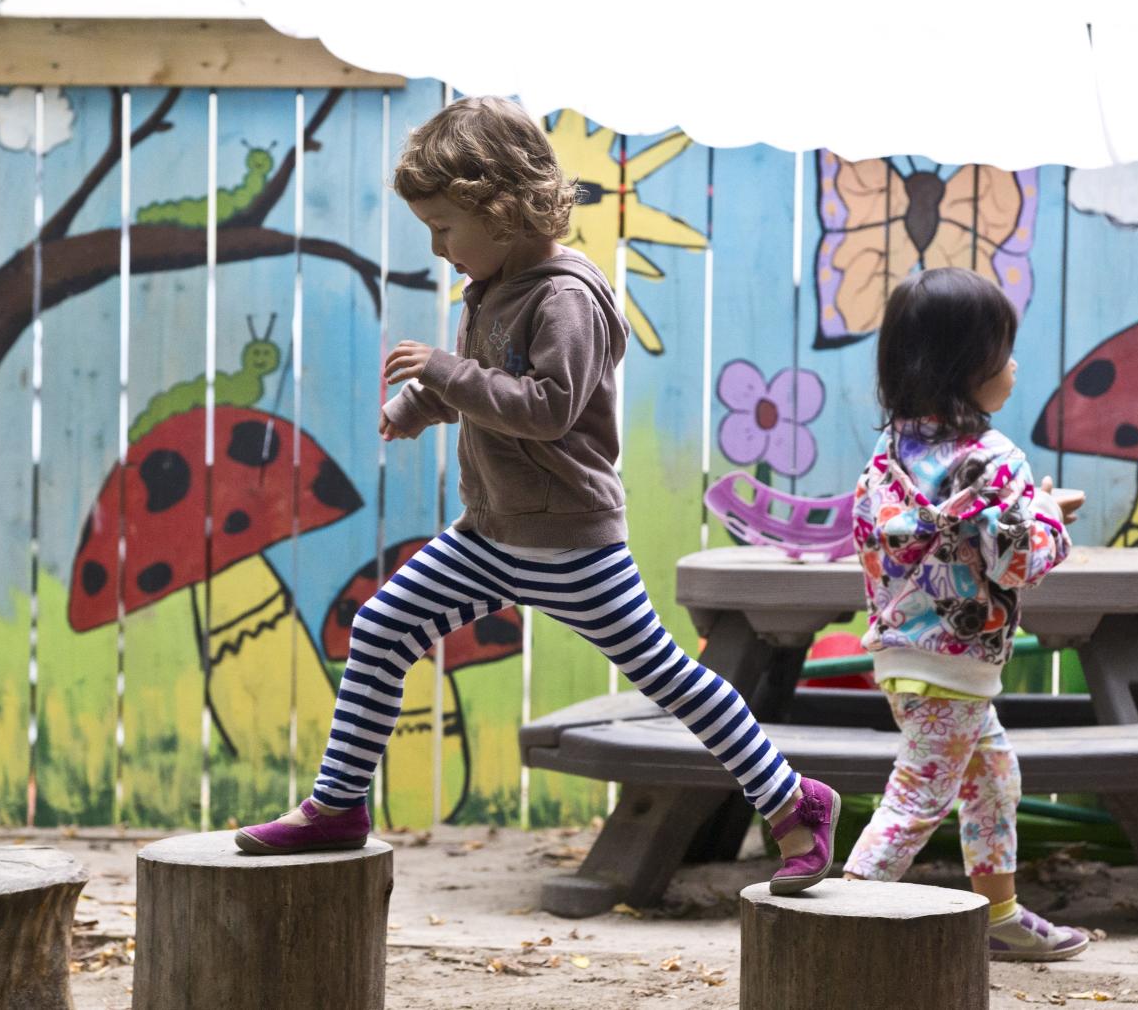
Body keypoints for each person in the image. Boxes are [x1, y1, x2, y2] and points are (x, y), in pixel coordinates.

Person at [235, 96, 838, 894]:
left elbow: (546, 407)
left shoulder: (565, 298)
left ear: (506, 210)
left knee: (670, 679)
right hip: (488, 537)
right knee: (382, 627)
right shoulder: (492, 285)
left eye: (446, 227)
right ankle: (339, 804)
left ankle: (797, 802)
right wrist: (419, 407)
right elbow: (483, 383)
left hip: (571, 543)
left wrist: (444, 375)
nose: (436, 246)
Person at [842, 267, 1089, 960]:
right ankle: (840, 922)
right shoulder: (994, 460)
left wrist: (1022, 514)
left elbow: (903, 545)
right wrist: (1048, 518)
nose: (1013, 364)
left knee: (993, 776)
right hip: (957, 665)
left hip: (902, 655)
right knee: (916, 801)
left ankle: (999, 914)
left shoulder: (887, 457)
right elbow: (1017, 563)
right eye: (1002, 350)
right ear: (966, 365)